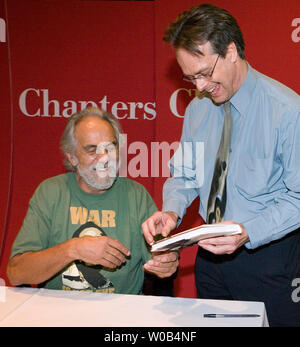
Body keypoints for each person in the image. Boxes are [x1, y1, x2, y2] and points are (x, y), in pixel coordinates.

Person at [142, 3, 300, 326]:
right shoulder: (198, 110)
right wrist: (171, 211)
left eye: (204, 73)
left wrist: (248, 232)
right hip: (209, 262)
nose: (198, 87)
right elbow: (184, 174)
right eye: (190, 77)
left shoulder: (286, 111)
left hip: (269, 261)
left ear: (231, 51)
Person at [7, 107, 178, 294]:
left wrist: (166, 263)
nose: (104, 158)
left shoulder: (135, 195)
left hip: (120, 314)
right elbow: (16, 273)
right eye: (92, 150)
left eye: (110, 148)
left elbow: (163, 256)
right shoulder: (51, 192)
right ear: (72, 157)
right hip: (58, 314)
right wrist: (73, 249)